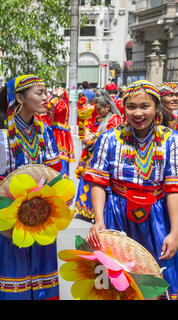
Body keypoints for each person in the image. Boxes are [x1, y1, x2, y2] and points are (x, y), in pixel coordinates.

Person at [0, 75, 66, 300]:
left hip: (39, 212)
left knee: (40, 269)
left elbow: (54, 172)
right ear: (20, 98)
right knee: (9, 269)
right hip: (5, 211)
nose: (46, 98)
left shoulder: (45, 131)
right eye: (39, 93)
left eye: (45, 92)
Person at [85, 80, 178, 300]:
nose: (138, 113)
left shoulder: (171, 141)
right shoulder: (109, 138)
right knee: (115, 280)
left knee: (159, 277)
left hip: (157, 218)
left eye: (145, 106)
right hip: (116, 215)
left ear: (156, 108)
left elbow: (173, 187)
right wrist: (99, 222)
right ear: (123, 107)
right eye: (131, 106)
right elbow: (99, 182)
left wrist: (175, 232)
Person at [74, 89, 122, 222]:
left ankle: (96, 211)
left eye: (100, 109)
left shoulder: (115, 119)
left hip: (106, 157)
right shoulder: (101, 117)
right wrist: (88, 132)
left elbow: (111, 136)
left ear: (108, 107)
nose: (98, 111)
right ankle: (87, 210)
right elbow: (90, 124)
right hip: (94, 152)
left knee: (97, 183)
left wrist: (93, 137)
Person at [48, 87, 74, 175]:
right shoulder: (63, 103)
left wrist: (55, 96)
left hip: (59, 133)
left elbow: (51, 105)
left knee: (59, 155)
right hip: (58, 132)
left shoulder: (61, 103)